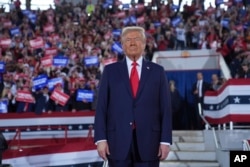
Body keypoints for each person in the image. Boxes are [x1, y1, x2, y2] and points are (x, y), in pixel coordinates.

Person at [94, 26, 172, 167]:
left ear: (143, 44)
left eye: (136, 39)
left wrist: (165, 141)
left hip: (150, 143)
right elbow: (101, 108)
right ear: (123, 46)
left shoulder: (157, 71)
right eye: (128, 40)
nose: (132, 43)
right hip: (117, 142)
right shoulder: (110, 71)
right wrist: (100, 139)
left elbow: (165, 108)